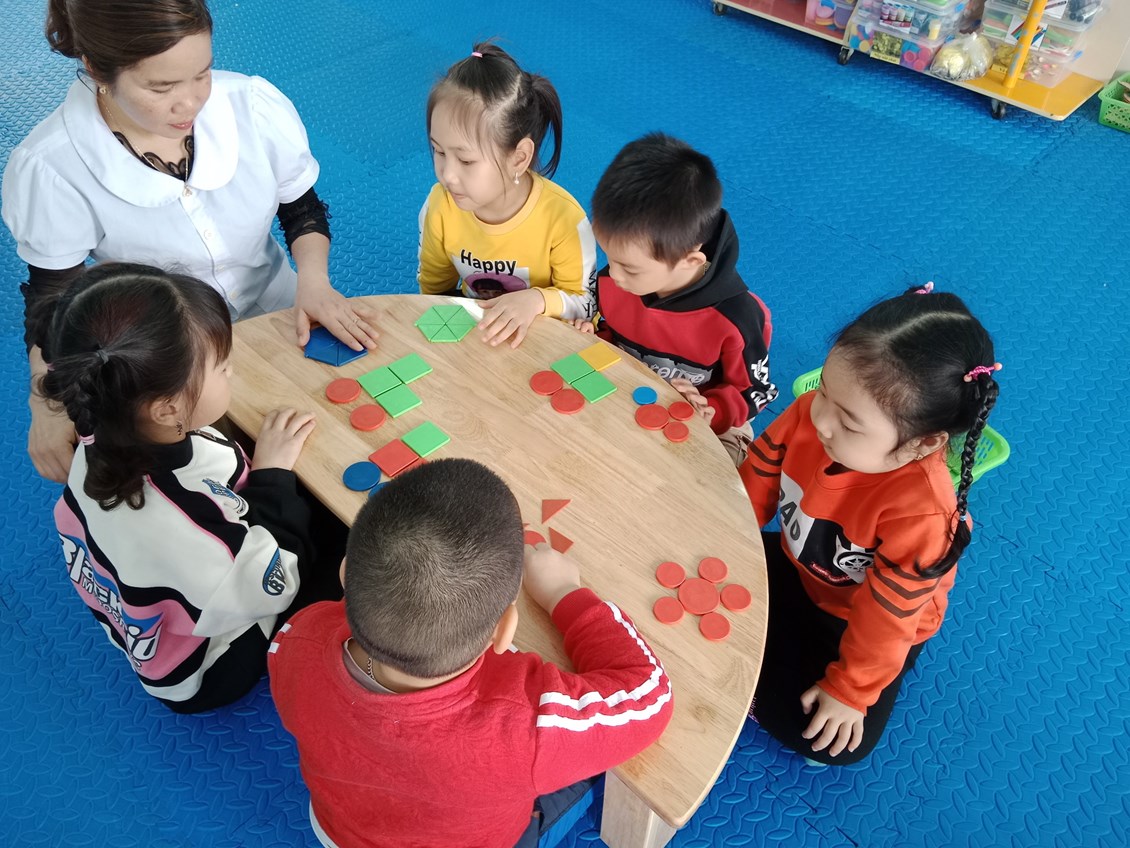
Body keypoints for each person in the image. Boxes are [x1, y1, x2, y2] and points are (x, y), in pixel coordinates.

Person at [1, 0, 378, 484]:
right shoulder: (52, 167)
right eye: (161, 87)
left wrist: (315, 281)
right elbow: (54, 299)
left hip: (284, 315)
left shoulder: (251, 105)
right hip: (173, 361)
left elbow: (301, 209)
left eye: (202, 74)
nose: (190, 103)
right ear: (96, 69)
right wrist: (46, 403)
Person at [269, 458, 674, 848]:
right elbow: (651, 695)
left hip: (340, 831)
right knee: (594, 771)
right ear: (504, 631)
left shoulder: (295, 640)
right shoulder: (529, 728)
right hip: (481, 837)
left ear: (345, 573)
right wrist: (565, 594)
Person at [41, 262, 338, 714]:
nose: (232, 373)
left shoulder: (98, 425)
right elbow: (277, 582)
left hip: (170, 595)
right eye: (223, 367)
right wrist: (272, 475)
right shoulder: (183, 522)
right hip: (204, 670)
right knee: (348, 546)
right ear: (166, 409)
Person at [739, 284, 1000, 765]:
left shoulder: (924, 514)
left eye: (849, 423)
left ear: (922, 444)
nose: (820, 420)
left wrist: (849, 690)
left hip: (861, 616)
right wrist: (727, 536)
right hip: (803, 566)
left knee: (831, 740)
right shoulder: (810, 415)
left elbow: (888, 618)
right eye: (824, 390)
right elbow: (756, 479)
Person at [582, 133, 777, 441]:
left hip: (710, 422)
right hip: (631, 395)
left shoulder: (736, 318)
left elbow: (756, 391)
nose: (612, 275)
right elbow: (614, 333)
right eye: (609, 256)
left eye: (629, 267)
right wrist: (594, 337)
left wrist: (712, 410)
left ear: (690, 261)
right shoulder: (617, 281)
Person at [417, 42, 597, 349]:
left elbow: (586, 306)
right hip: (480, 337)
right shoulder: (439, 206)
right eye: (438, 151)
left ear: (518, 158)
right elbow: (434, 293)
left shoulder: (565, 220)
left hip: (546, 345)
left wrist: (536, 300)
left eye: (466, 161)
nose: (447, 175)